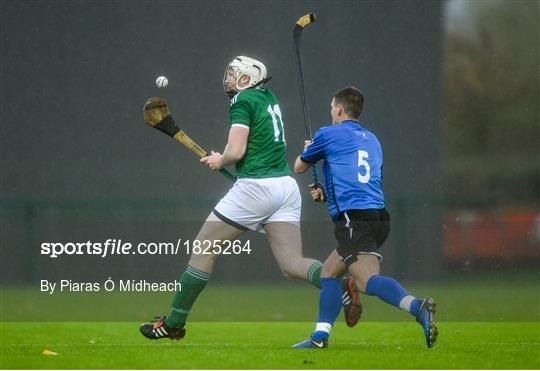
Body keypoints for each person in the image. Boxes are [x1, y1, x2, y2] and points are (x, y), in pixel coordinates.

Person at [139, 56, 358, 341]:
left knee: (203, 247)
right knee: (292, 264)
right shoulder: (268, 97)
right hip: (285, 188)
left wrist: (221, 160)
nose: (228, 79)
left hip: (256, 189)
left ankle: (174, 323)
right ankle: (338, 287)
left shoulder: (242, 102)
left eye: (233, 74)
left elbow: (237, 149)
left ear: (247, 78)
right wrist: (227, 159)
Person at [291, 86, 438, 349]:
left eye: (331, 109)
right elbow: (363, 180)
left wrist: (310, 150)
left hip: (352, 220)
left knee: (366, 280)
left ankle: (418, 307)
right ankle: (320, 337)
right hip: (378, 218)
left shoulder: (327, 134)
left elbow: (299, 167)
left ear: (338, 109)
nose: (331, 113)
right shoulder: (372, 139)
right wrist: (327, 195)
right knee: (328, 273)